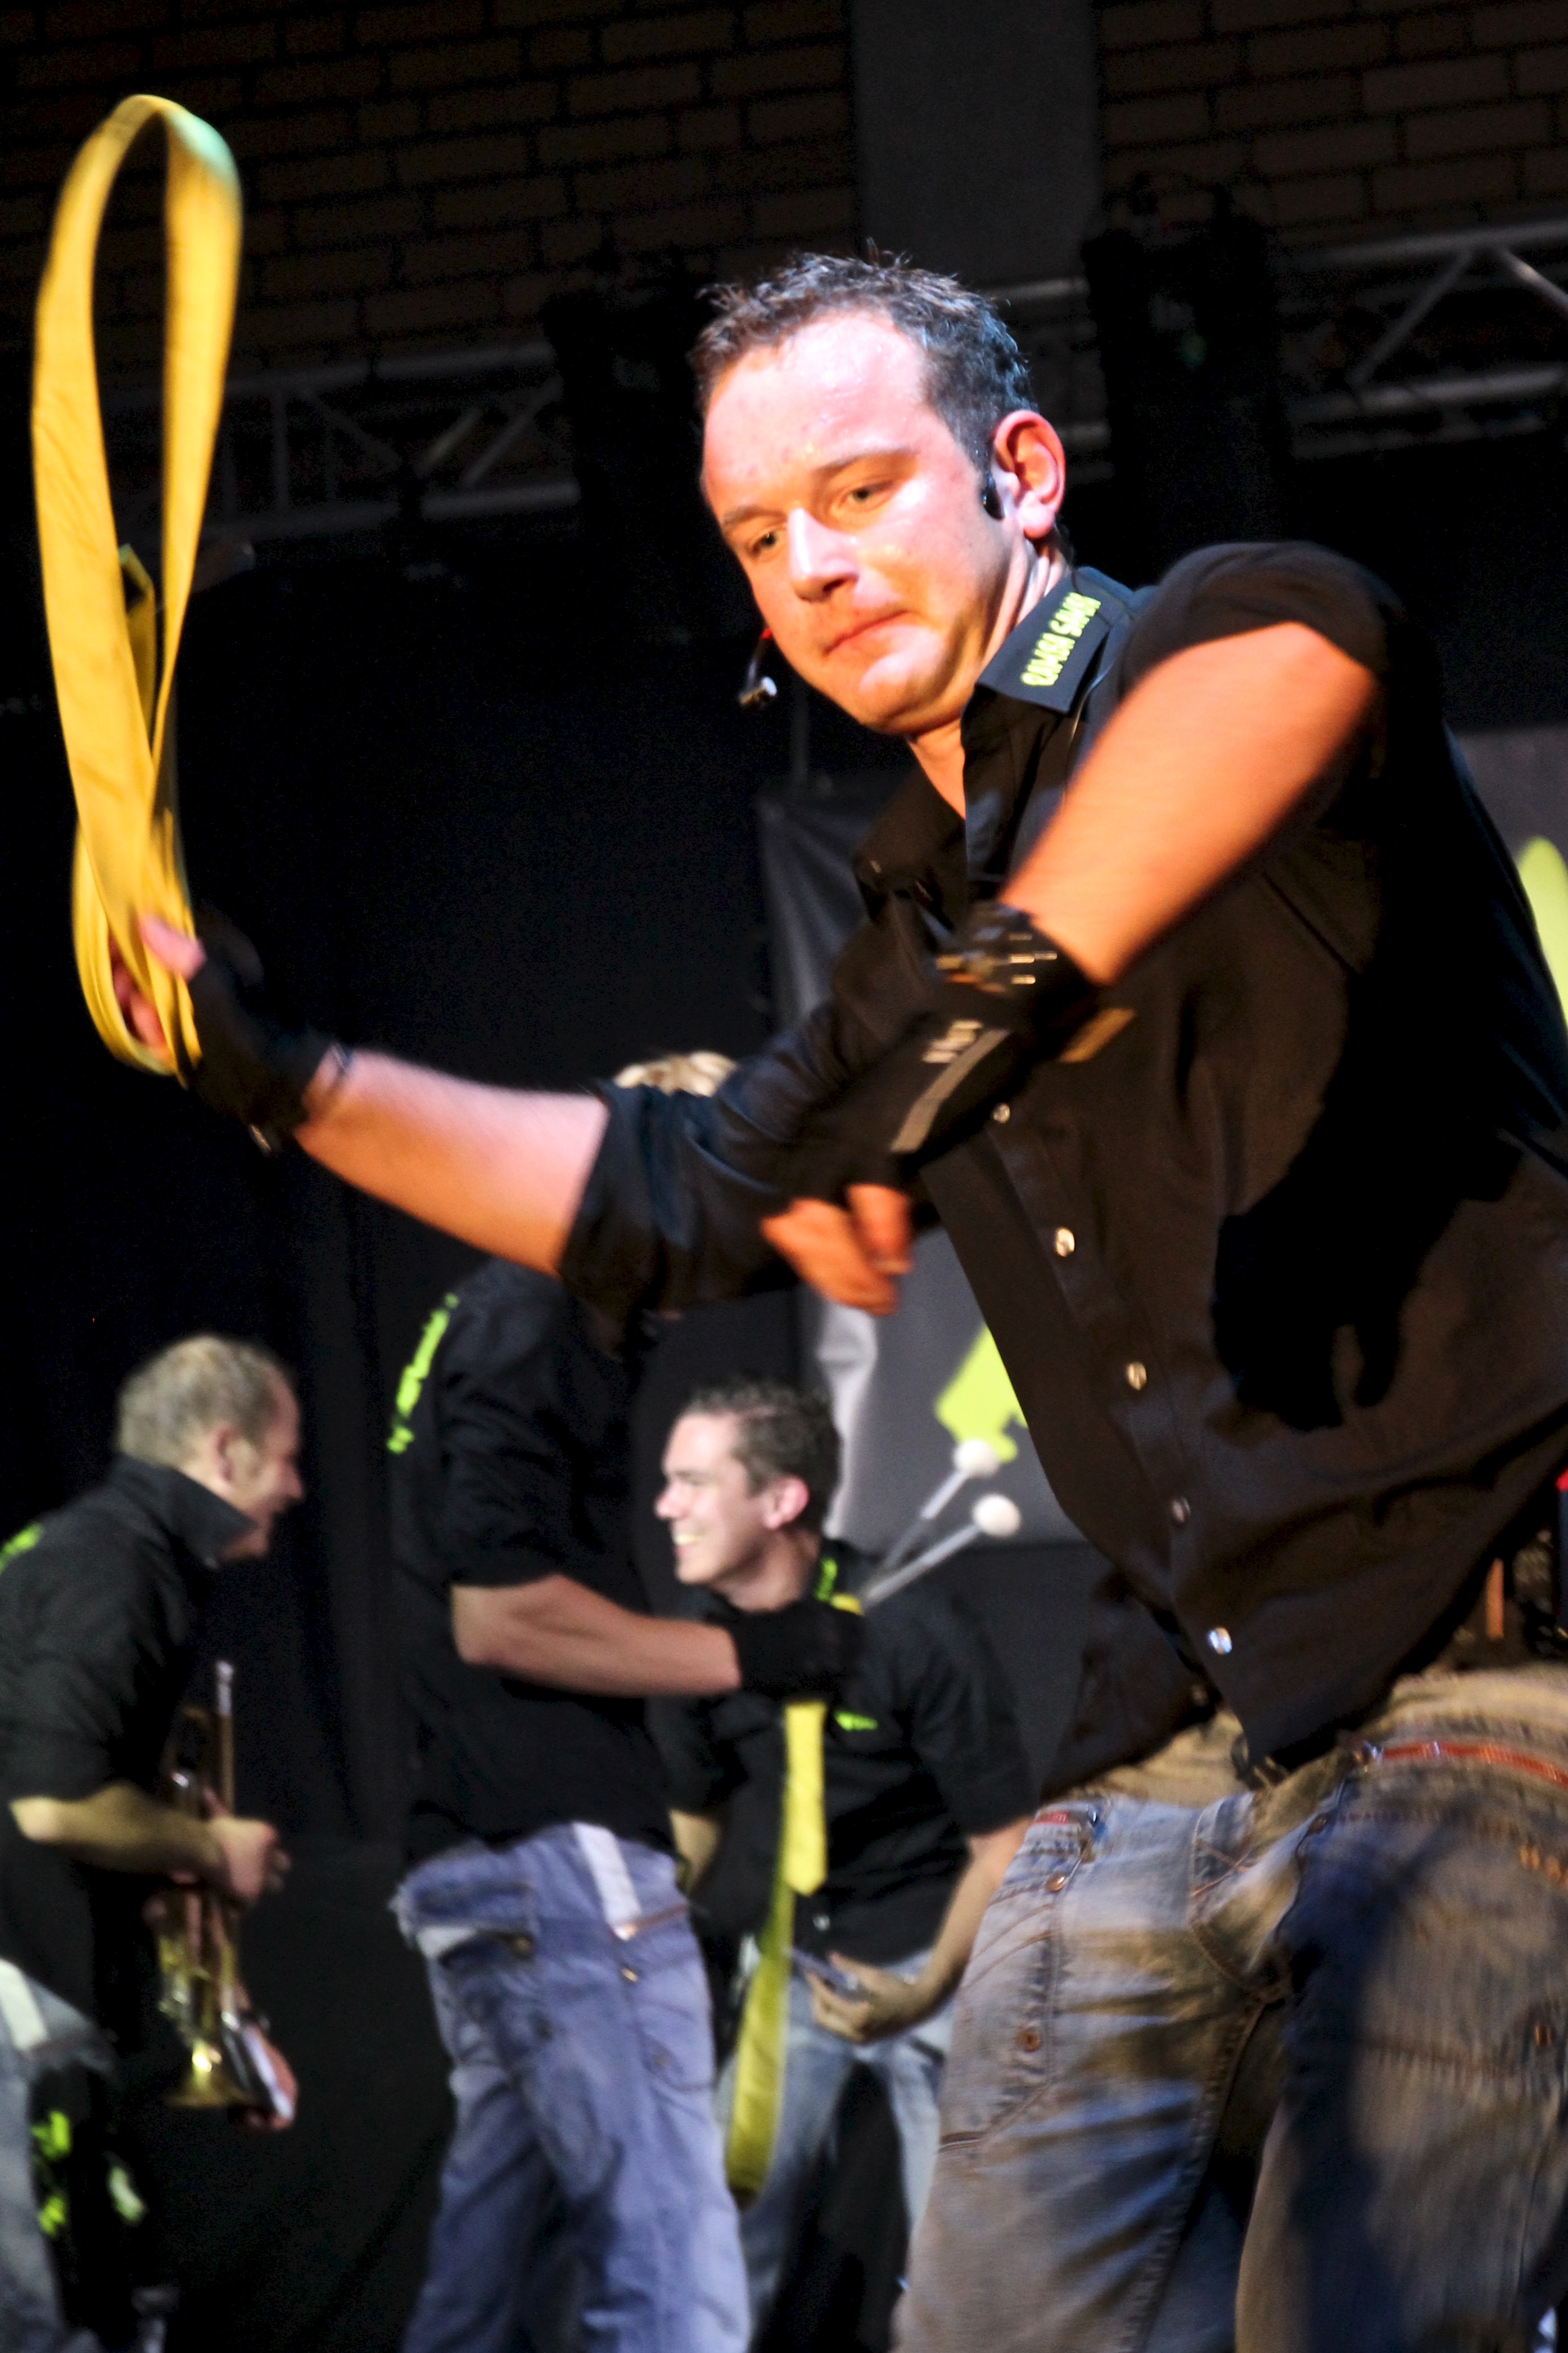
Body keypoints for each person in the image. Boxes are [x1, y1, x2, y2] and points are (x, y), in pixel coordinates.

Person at [114, 253, 1568, 2349]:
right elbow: (664, 1191)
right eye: (756, 535)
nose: (808, 565)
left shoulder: (1212, 632)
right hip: (1173, 1729)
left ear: (1021, 474)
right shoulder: (905, 928)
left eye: (863, 492)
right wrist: (285, 1078)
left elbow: (1308, 659)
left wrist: (982, 1024)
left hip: (1489, 1692)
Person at [387, 1063, 861, 2353]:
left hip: (488, 1859)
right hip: (557, 1862)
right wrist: (746, 1655)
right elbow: (501, 1616)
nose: (736, 1242)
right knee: (675, 2278)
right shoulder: (532, 1315)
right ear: (651, 1171)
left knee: (486, 2293)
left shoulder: (529, 1317)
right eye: (728, 1195)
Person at [650, 1376, 1032, 2342]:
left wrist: (926, 1988)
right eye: (667, 1481)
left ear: (780, 1501)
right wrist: (634, 1938)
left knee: (961, 2281)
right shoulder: (695, 1643)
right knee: (711, 2239)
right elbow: (694, 1820)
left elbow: (1005, 1849)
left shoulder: (915, 1632)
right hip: (794, 1962)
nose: (665, 1507)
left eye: (693, 1483)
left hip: (938, 1965)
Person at [0, 1336, 300, 2353]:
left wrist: (236, 2025)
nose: (295, 1488)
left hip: (46, 1990)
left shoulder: (91, 1549)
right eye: (285, 1459)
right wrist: (216, 1851)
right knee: (63, 2319)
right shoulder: (116, 1564)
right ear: (224, 1450)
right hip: (23, 1996)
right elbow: (54, 1807)